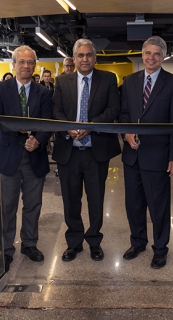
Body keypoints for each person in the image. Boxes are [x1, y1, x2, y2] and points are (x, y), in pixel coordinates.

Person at [52, 38, 121, 262]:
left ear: (95, 57)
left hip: (96, 151)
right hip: (68, 152)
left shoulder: (108, 79)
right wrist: (69, 128)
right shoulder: (62, 81)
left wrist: (89, 127)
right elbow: (56, 111)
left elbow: (113, 109)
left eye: (89, 55)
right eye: (80, 55)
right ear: (74, 58)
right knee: (71, 200)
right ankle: (74, 242)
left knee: (96, 200)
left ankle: (94, 241)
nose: (84, 59)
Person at [119, 36, 173, 269]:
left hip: (158, 156)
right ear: (142, 55)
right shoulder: (129, 81)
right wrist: (126, 135)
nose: (151, 57)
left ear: (163, 56)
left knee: (158, 205)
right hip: (132, 155)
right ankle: (138, 242)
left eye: (157, 54)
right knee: (133, 203)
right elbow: (124, 115)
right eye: (147, 53)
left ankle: (160, 248)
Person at [0, 45, 53, 271]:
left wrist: (38, 140)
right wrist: (18, 130)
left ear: (35, 66)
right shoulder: (1, 89)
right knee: (8, 206)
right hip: (9, 156)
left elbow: (48, 122)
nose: (26, 66)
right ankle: (7, 249)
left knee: (33, 205)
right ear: (14, 64)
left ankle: (29, 244)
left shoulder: (45, 93)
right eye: (22, 62)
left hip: (34, 157)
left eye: (30, 62)